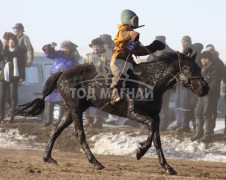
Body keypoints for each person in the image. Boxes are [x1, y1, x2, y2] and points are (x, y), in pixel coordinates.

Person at [110, 9, 165, 104]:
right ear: (128, 20)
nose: (136, 22)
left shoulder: (132, 37)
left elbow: (140, 51)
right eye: (134, 20)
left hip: (129, 60)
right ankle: (114, 95)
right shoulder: (122, 29)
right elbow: (124, 35)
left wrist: (154, 46)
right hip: (119, 59)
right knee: (120, 74)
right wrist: (132, 34)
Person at [42, 41, 80, 126]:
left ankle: (59, 120)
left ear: (71, 49)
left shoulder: (73, 59)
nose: (66, 50)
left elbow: (76, 71)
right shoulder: (58, 54)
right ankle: (49, 119)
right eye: (64, 48)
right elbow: (48, 54)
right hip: (54, 77)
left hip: (65, 80)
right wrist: (50, 46)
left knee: (61, 100)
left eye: (67, 48)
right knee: (49, 98)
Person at [191, 51, 221, 143]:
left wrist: (204, 90)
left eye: (202, 58)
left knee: (207, 114)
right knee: (197, 113)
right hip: (201, 95)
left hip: (210, 96)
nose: (201, 60)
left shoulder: (215, 69)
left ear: (207, 59)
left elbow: (214, 84)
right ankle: (198, 133)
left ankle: (207, 136)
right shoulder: (204, 68)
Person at [84, 37, 112, 128]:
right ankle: (88, 119)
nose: (96, 48)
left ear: (101, 47)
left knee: (98, 101)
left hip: (101, 81)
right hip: (88, 81)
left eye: (97, 47)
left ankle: (98, 120)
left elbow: (109, 68)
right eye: (94, 47)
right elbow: (84, 67)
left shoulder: (106, 56)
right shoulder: (88, 56)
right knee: (86, 99)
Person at [0, 34, 24, 123]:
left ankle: (12, 116)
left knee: (13, 96)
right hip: (4, 76)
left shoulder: (19, 53)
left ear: (16, 43)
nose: (11, 44)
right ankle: (1, 116)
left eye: (13, 42)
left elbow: (22, 66)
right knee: (2, 96)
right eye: (10, 42)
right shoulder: (4, 51)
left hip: (14, 76)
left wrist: (22, 76)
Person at [205, 44, 226, 134]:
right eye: (209, 50)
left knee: (212, 110)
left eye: (212, 50)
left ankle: (211, 129)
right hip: (204, 91)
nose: (210, 52)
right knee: (204, 110)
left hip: (214, 91)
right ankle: (205, 129)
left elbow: (223, 76)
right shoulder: (204, 61)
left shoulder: (219, 62)